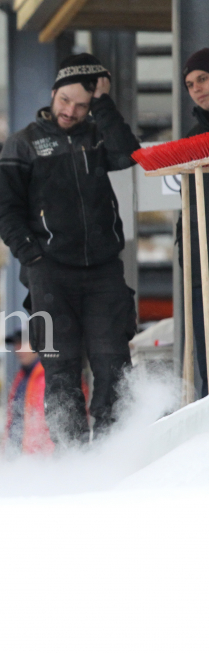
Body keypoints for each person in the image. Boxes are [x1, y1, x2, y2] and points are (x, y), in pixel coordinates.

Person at [0, 53, 140, 446]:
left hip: (104, 270)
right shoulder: (22, 144)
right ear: (53, 93)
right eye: (65, 101)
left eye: (81, 104)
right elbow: (5, 211)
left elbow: (129, 154)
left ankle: (114, 453)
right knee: (60, 372)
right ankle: (72, 459)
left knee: (115, 367)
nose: (71, 111)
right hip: (50, 273)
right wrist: (33, 258)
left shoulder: (96, 135)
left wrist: (105, 104)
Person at [178, 48, 209, 398]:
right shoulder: (190, 141)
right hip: (203, 264)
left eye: (202, 78)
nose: (197, 89)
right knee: (206, 357)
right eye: (190, 84)